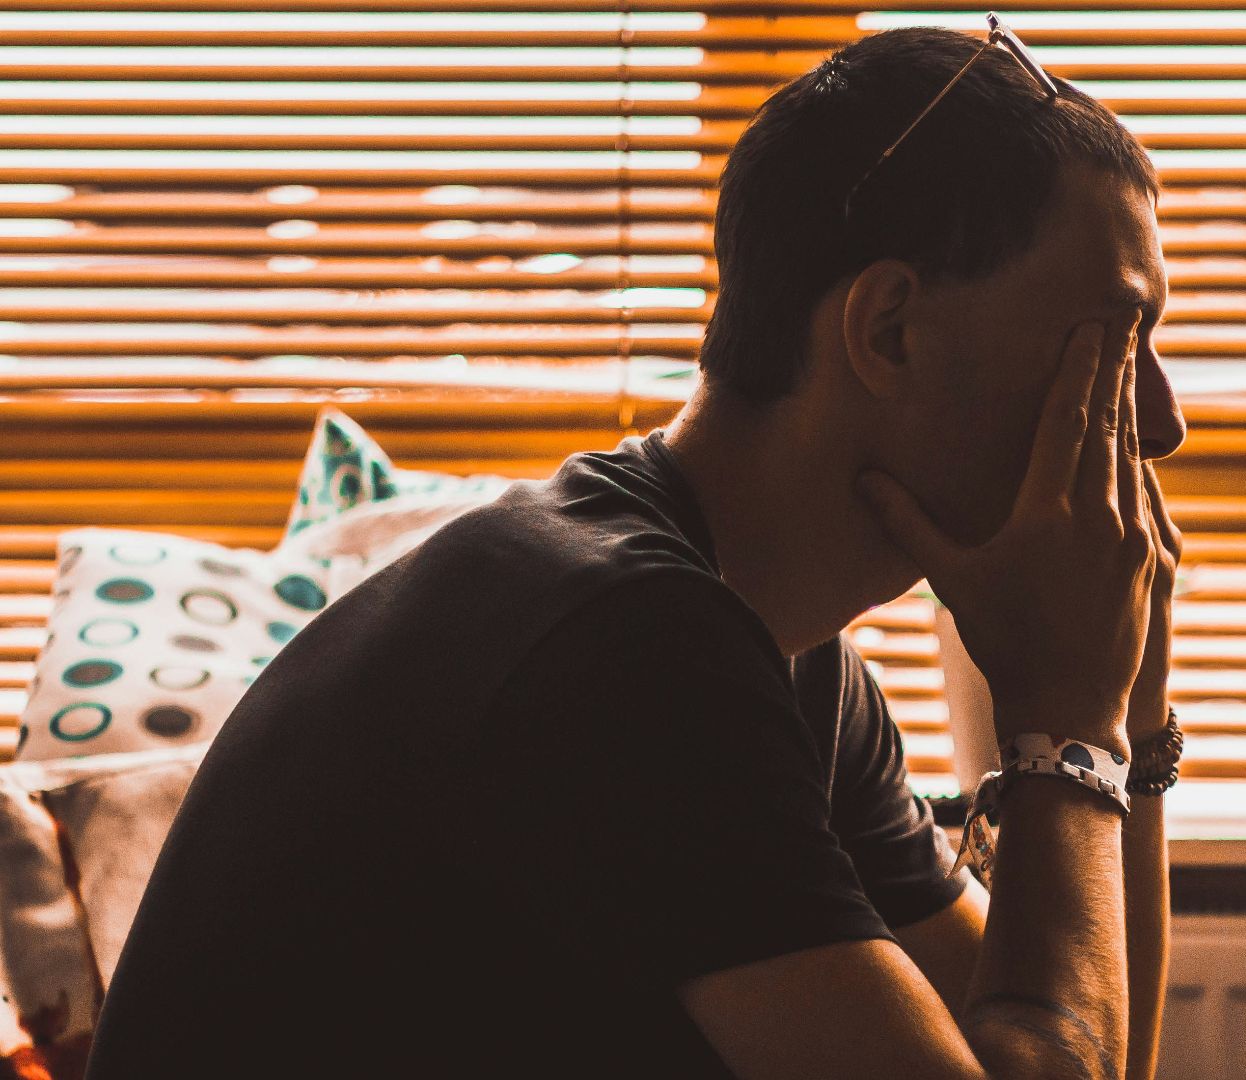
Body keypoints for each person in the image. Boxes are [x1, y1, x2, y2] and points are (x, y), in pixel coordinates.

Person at [88, 22, 1185, 1080]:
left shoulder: (787, 661)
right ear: (888, 329)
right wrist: (1068, 728)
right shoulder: (620, 646)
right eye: (1116, 337)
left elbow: (1083, 1051)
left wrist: (1121, 717)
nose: (1163, 421)